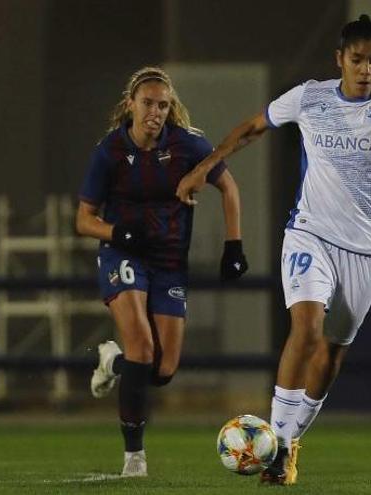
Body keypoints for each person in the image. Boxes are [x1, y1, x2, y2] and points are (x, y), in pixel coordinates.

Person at [174, 15, 371, 485]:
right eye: (358, 60)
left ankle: (289, 441)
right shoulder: (310, 96)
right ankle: (275, 449)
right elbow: (251, 127)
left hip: (367, 250)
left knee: (331, 355)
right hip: (311, 234)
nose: (366, 69)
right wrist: (205, 167)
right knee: (306, 327)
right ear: (339, 60)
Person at [76, 66, 248, 477]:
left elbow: (229, 187)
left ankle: (111, 361)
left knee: (163, 370)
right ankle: (134, 457)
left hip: (170, 262)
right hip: (124, 255)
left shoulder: (188, 145)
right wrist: (118, 232)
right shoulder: (110, 151)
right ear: (130, 104)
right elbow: (83, 220)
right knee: (143, 348)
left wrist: (234, 245)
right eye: (148, 103)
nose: (155, 111)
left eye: (163, 105)